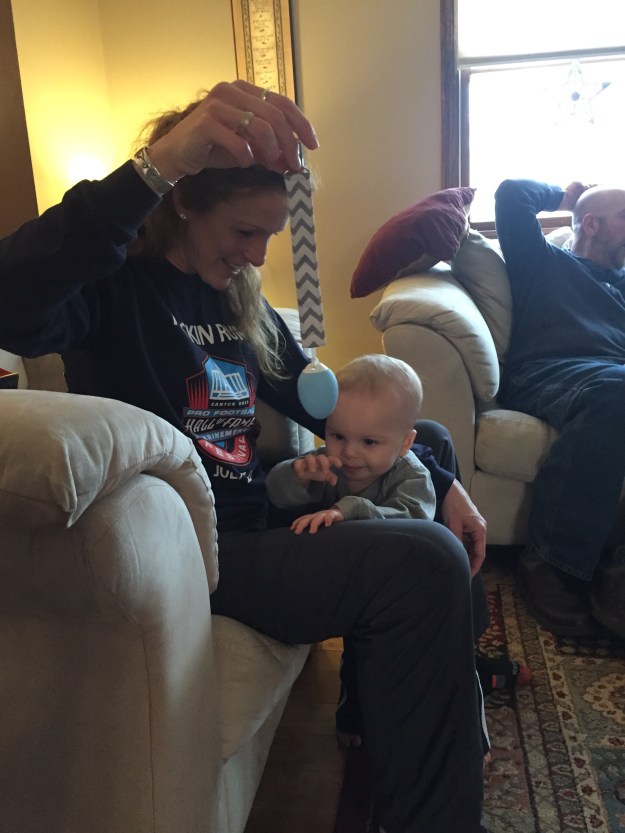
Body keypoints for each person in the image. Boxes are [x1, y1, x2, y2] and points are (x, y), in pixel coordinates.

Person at [0, 80, 489, 833]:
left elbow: (328, 406)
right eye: (242, 231)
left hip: (265, 512)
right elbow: (12, 299)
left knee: (427, 443)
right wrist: (157, 164)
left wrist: (443, 475)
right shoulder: (113, 290)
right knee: (423, 560)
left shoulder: (238, 299)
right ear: (182, 204)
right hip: (205, 548)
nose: (257, 255)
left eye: (269, 234)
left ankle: (403, 701)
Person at [266, 353, 491, 760]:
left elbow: (412, 519)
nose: (349, 453)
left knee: (431, 657)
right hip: (351, 579)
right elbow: (277, 494)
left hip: (408, 582)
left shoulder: (411, 473)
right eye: (338, 435)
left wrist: (349, 509)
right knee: (357, 649)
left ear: (405, 443)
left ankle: (471, 723)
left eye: (369, 442)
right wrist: (295, 477)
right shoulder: (330, 463)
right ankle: (352, 705)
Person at [495, 177, 625, 640]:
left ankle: (617, 577)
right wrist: (567, 197)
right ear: (591, 224)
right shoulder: (545, 262)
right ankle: (551, 563)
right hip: (548, 371)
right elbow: (512, 195)